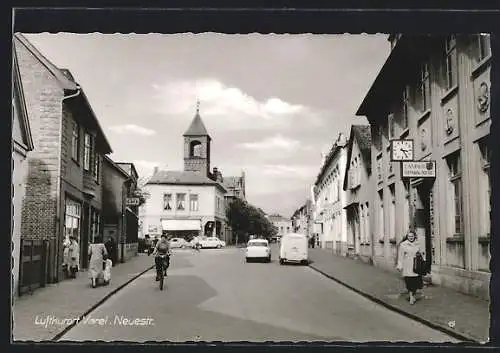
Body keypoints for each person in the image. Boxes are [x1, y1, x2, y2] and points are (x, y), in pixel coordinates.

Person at [396, 230, 425, 305]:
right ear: (407, 237)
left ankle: (413, 295)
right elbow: (400, 256)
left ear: (414, 236)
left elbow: (422, 254)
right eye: (409, 236)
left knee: (416, 283)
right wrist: (400, 265)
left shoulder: (418, 244)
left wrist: (423, 263)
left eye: (412, 236)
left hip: (416, 266)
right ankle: (411, 297)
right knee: (409, 282)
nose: (411, 238)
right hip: (407, 266)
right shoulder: (403, 245)